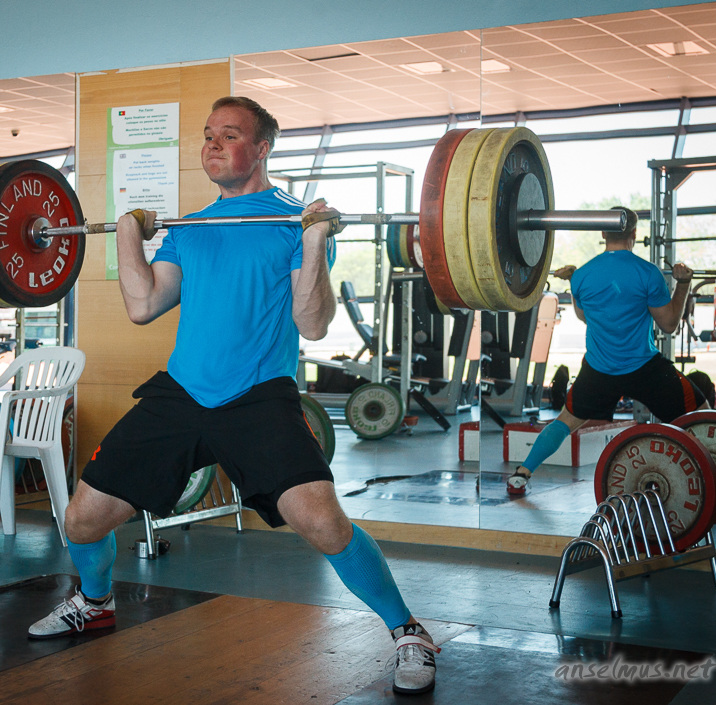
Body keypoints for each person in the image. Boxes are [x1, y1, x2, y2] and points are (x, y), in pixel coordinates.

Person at [27, 96, 438, 695]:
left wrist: (317, 242)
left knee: (322, 523)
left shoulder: (290, 222)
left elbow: (315, 324)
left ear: (262, 148)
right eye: (207, 135)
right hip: (182, 394)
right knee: (83, 519)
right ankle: (95, 602)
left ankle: (408, 631)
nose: (213, 145)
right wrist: (126, 237)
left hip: (258, 398)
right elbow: (143, 306)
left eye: (230, 135)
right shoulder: (193, 229)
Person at [507, 207, 708, 496]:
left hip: (599, 370)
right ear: (635, 235)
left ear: (602, 233)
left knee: (565, 422)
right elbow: (669, 324)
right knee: (702, 415)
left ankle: (521, 475)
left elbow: (586, 317)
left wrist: (574, 279)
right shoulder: (648, 273)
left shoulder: (583, 276)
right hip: (644, 368)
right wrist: (684, 284)